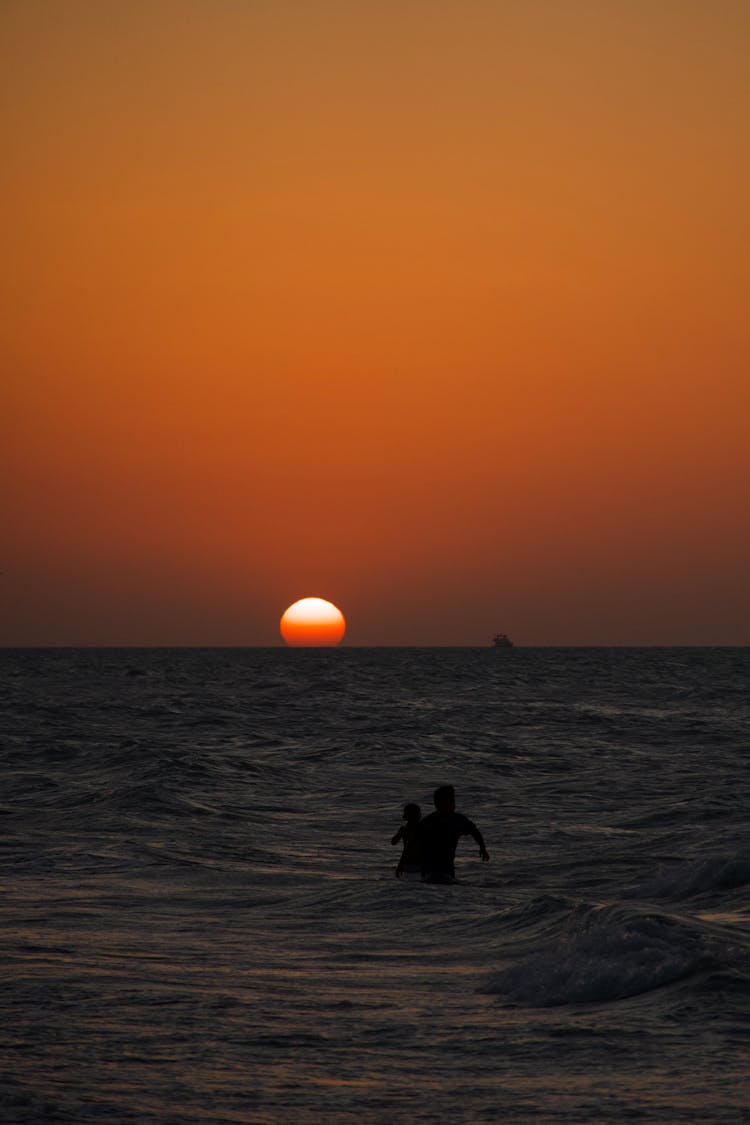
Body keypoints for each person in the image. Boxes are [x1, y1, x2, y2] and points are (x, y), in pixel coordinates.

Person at [417, 785, 489, 883]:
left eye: (453, 800)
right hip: (430, 867)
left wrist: (482, 847)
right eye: (449, 801)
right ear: (437, 803)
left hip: (445, 866)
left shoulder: (458, 820)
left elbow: (474, 831)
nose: (453, 804)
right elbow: (415, 841)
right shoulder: (429, 821)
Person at [391, 802, 422, 878]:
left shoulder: (410, 829)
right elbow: (394, 842)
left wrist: (400, 865)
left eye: (405, 813)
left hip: (412, 864)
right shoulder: (408, 828)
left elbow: (406, 848)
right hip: (417, 863)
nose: (403, 815)